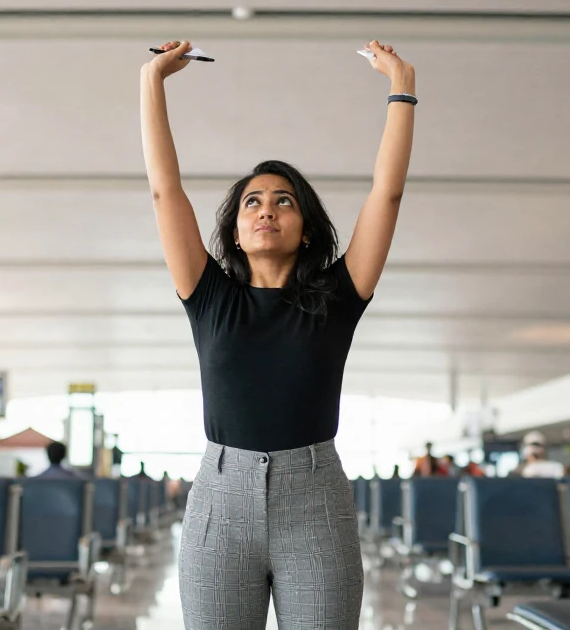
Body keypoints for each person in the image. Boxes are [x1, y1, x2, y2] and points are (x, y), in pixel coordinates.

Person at [142, 39, 414, 628]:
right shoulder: (208, 295)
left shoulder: (338, 298)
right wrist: (153, 81)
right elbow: (166, 191)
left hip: (316, 503)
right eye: (253, 203)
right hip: (219, 504)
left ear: (307, 230)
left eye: (284, 201)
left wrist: (401, 87)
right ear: (237, 232)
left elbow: (386, 194)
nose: (267, 210)